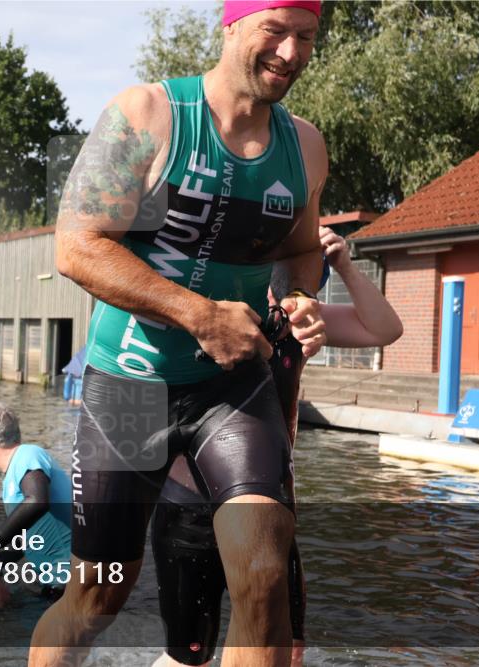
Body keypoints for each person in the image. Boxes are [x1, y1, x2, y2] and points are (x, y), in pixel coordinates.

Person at [31, 2, 328, 664]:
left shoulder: (304, 144)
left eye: (305, 37)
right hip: (131, 384)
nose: (289, 52)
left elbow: (304, 250)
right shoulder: (150, 114)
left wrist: (302, 296)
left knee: (264, 574)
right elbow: (78, 246)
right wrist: (198, 313)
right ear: (230, 26)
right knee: (97, 596)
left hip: (234, 386)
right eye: (274, 31)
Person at [150, 226, 403, 667]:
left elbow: (385, 329)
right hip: (189, 509)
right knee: (186, 658)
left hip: (268, 504)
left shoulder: (300, 321)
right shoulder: (212, 312)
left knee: (283, 650)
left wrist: (343, 264)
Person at [0, 403, 72, 601]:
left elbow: (37, 502)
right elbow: (28, 536)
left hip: (69, 580)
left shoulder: (28, 454)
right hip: (54, 582)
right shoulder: (14, 473)